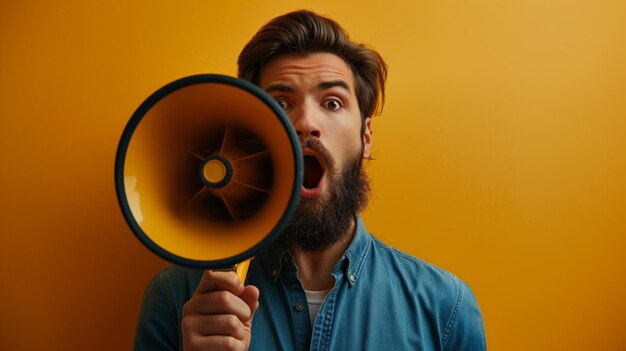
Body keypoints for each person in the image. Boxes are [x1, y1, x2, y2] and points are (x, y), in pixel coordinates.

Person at [134, 9, 486, 351]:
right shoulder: (178, 299)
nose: (305, 123)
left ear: (366, 137)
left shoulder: (444, 308)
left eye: (332, 103)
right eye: (281, 104)